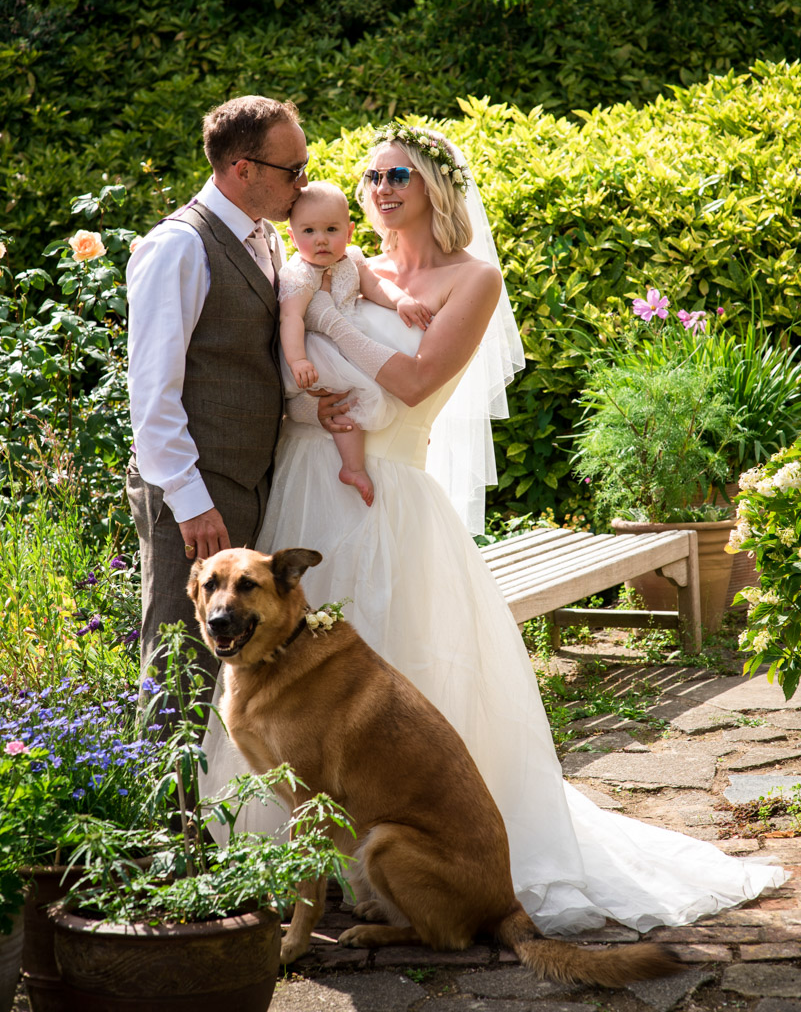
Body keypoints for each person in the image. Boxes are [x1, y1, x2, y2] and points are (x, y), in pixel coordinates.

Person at [204, 122, 788, 935]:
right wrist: (304, 393)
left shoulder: (470, 278)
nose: (378, 188)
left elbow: (415, 380)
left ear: (437, 186)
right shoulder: (337, 262)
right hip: (303, 484)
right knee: (281, 693)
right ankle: (298, 868)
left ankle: (430, 853)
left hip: (386, 501)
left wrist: (331, 337)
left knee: (401, 682)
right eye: (369, 175)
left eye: (398, 173)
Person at [127, 95, 333, 707]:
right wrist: (191, 503)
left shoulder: (265, 239)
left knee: (231, 668)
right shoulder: (180, 247)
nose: (304, 181)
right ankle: (165, 806)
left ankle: (216, 803)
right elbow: (152, 392)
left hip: (247, 481)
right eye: (291, 169)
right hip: (193, 490)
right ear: (242, 169)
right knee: (179, 671)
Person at [279, 179, 432, 506]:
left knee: (382, 370)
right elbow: (290, 319)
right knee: (351, 397)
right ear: (292, 237)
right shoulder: (300, 274)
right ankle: (353, 466)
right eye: (309, 232)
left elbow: (376, 287)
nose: (321, 240)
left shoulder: (352, 258)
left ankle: (393, 437)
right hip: (314, 349)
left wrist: (401, 300)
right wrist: (297, 361)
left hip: (347, 337)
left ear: (349, 232)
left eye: (331, 229)